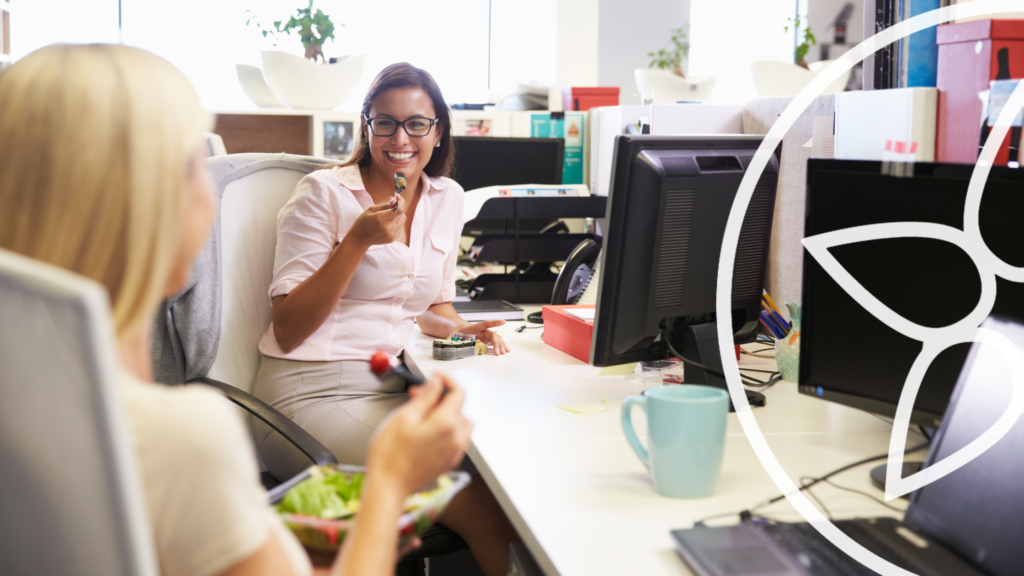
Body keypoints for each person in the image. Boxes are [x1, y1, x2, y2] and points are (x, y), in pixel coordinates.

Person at [0, 43, 473, 576]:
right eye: (192, 165)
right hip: (317, 390)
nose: (214, 185)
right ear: (148, 206)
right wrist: (387, 484)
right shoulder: (182, 438)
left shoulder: (27, 406)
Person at [252, 62, 519, 575]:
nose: (401, 138)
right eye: (386, 122)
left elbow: (429, 308)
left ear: (438, 131)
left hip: (389, 384)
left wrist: (462, 327)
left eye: (417, 123)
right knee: (476, 495)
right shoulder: (323, 194)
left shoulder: (449, 199)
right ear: (366, 126)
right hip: (307, 394)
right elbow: (288, 328)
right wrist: (355, 242)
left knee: (499, 464)